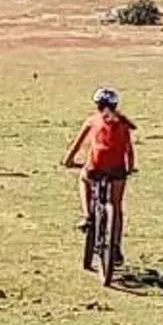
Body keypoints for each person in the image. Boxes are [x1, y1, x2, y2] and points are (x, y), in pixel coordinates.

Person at [64, 87, 137, 272]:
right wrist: (129, 169)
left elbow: (76, 145)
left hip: (95, 167)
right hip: (117, 169)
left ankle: (87, 215)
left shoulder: (92, 121)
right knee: (117, 206)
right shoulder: (123, 123)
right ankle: (116, 247)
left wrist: (68, 161)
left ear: (97, 105)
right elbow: (129, 150)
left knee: (83, 179)